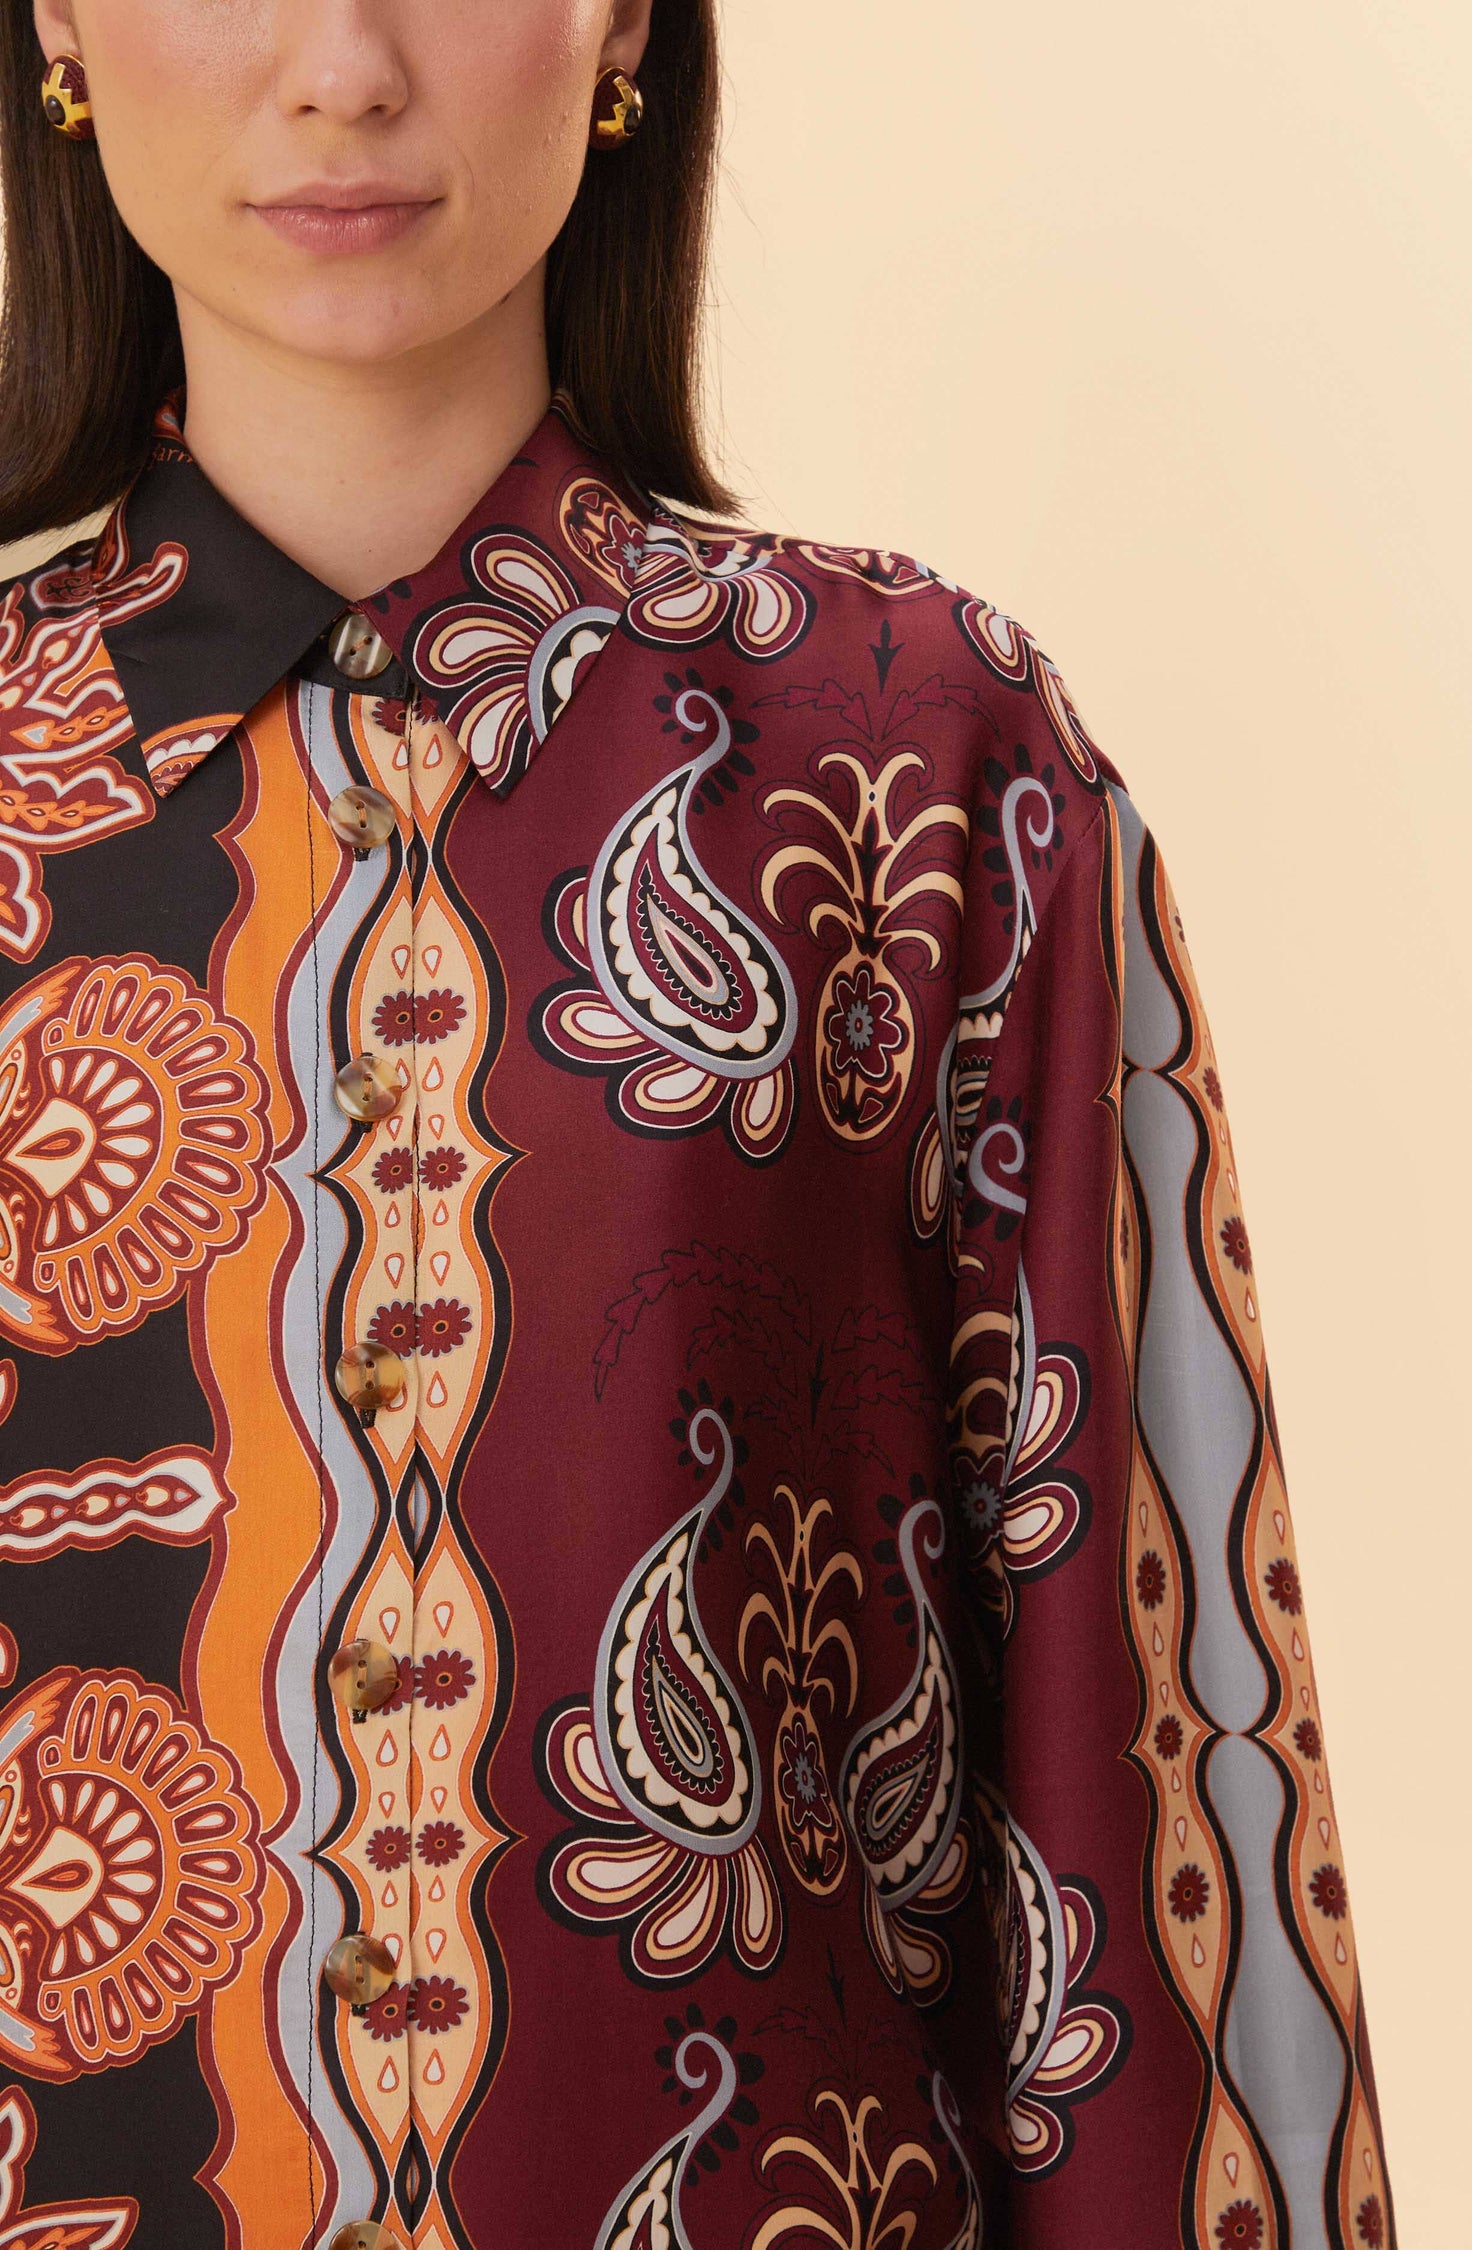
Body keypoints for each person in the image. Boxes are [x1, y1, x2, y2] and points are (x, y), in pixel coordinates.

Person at [0, 4, 1393, 2246]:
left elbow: (1147, 1793)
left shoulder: (922, 760)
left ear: (625, 18)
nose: (342, 66)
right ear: (61, 21)